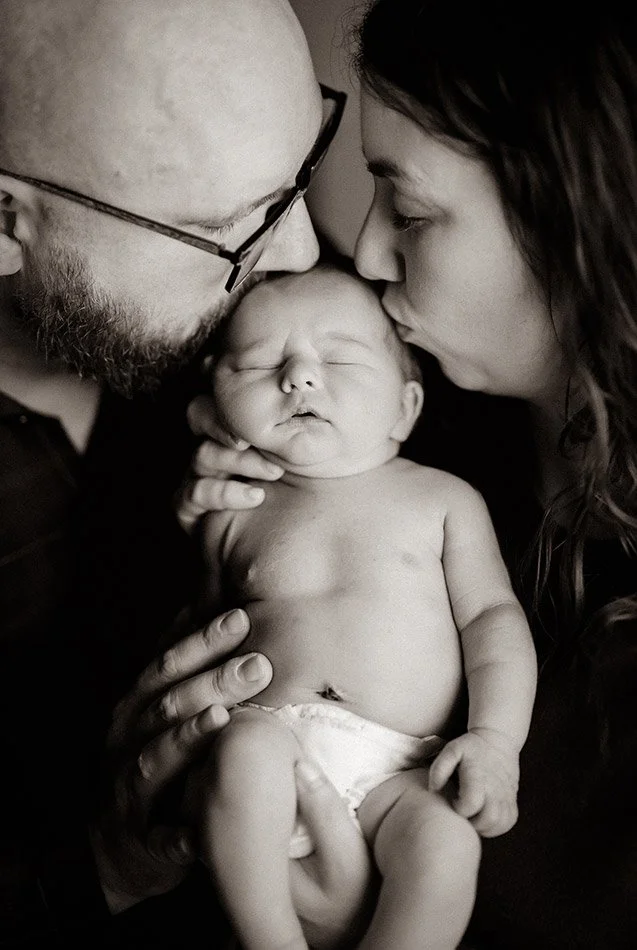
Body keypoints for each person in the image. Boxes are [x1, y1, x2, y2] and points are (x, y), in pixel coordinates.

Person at [179, 1, 637, 947]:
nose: (370, 256)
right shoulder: (380, 415)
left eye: (414, 211)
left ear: (582, 219)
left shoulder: (445, 493)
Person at [0, 1, 372, 947]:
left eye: (302, 173)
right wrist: (105, 867)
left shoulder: (290, 339)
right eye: (229, 226)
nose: (299, 256)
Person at [183, 263, 537, 950]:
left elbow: (490, 619)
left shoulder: (441, 499)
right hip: (270, 743)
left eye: (338, 357)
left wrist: (495, 740)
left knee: (444, 843)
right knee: (241, 750)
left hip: (399, 771)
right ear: (215, 396)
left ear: (406, 406)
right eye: (257, 366)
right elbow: (202, 635)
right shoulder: (230, 511)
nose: (298, 377)